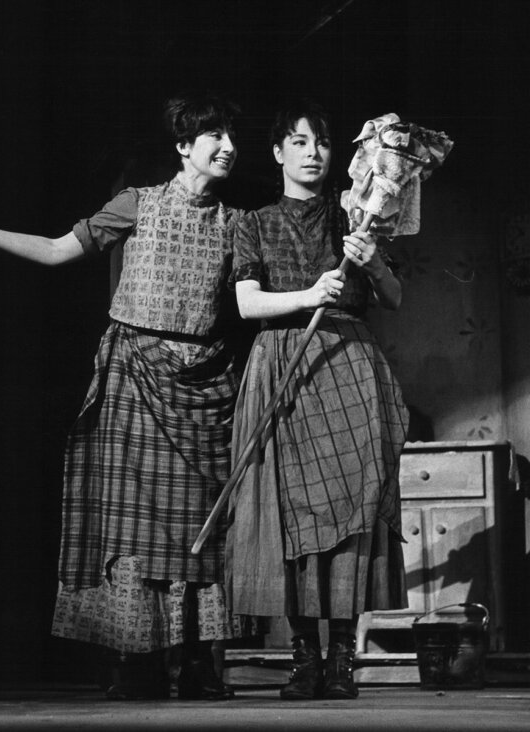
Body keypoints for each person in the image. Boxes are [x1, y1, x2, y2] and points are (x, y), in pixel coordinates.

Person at [0, 95, 245, 701]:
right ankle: (134, 661)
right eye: (214, 136)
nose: (227, 146)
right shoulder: (137, 205)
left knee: (199, 529)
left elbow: (252, 300)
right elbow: (55, 250)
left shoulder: (235, 223)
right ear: (183, 145)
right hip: (134, 375)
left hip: (204, 386)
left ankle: (197, 660)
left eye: (231, 137)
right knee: (131, 526)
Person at [227, 100, 407, 701]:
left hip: (349, 362)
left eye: (322, 143)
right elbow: (248, 305)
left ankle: (342, 659)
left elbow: (395, 296)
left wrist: (371, 260)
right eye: (299, 142)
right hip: (283, 362)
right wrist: (308, 294)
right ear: (278, 152)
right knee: (291, 512)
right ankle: (304, 656)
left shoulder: (353, 214)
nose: (313, 153)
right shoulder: (252, 222)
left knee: (355, 508)